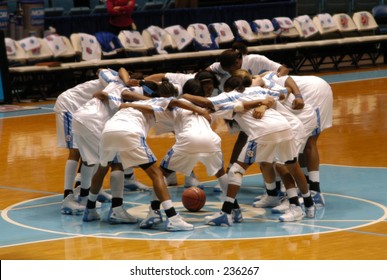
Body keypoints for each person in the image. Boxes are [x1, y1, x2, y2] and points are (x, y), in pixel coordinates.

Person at [181, 76, 316, 225]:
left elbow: (207, 103)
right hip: (285, 128)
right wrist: (263, 103)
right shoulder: (257, 90)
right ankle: (307, 205)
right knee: (291, 166)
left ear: (226, 89)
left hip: (264, 132)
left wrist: (185, 95)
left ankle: (227, 213)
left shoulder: (227, 97)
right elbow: (282, 94)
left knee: (235, 171)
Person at [83, 78, 210, 231]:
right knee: (157, 174)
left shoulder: (139, 103)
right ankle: (173, 218)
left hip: (109, 130)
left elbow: (123, 104)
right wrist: (201, 111)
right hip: (129, 132)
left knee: (102, 169)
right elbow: (176, 102)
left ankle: (90, 209)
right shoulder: (159, 101)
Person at [159, 79, 231, 216]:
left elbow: (175, 101)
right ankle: (233, 209)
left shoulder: (177, 104)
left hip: (188, 139)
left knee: (159, 175)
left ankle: (155, 210)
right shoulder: (209, 108)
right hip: (212, 140)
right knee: (221, 173)